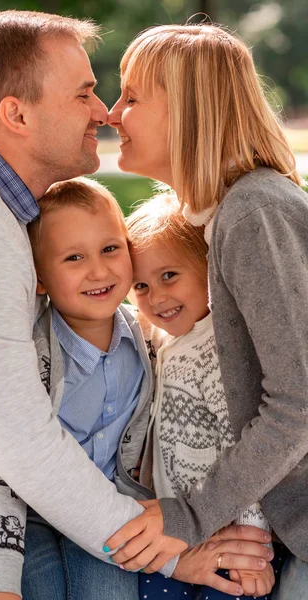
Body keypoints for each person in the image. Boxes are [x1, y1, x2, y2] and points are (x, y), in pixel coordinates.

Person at [0, 12, 274, 599]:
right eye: (83, 93)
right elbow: (24, 446)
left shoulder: (1, 216)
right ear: (17, 114)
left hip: (5, 513)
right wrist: (167, 553)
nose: (104, 111)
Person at [0, 179, 272, 600]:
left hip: (112, 513)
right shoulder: (31, 356)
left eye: (110, 249)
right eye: (74, 257)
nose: (98, 270)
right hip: (30, 518)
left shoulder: (148, 338)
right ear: (38, 278)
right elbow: (1, 464)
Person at [106, 22, 308, 600]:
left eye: (133, 97)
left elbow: (297, 404)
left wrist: (187, 516)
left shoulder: (253, 212)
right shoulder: (223, 217)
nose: (114, 114)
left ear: (190, 108)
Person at [126, 192, 288, 599]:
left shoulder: (217, 350)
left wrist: (252, 547)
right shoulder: (165, 340)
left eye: (169, 276)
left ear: (208, 268)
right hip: (181, 527)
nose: (156, 297)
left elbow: (243, 443)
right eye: (140, 285)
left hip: (229, 537)